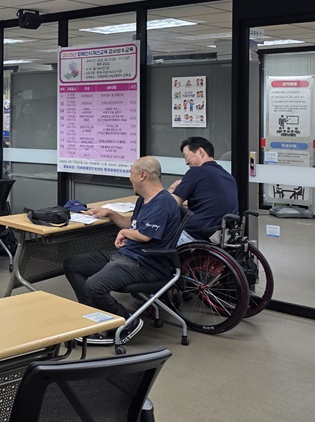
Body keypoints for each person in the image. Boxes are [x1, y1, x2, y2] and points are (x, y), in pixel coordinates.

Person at [64, 156, 181, 345]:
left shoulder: (162, 203)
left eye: (131, 173)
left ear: (142, 175)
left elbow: (145, 236)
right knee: (72, 264)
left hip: (147, 263)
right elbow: (132, 224)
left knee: (94, 285)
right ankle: (98, 318)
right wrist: (111, 213)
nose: (129, 178)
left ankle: (126, 322)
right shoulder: (144, 200)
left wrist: (124, 233)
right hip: (128, 255)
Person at [168, 137, 238, 245]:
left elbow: (170, 204)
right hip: (221, 236)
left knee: (154, 238)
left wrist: (172, 187)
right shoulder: (227, 176)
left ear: (200, 152)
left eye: (186, 156)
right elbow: (210, 201)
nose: (186, 162)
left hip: (196, 235)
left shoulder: (196, 172)